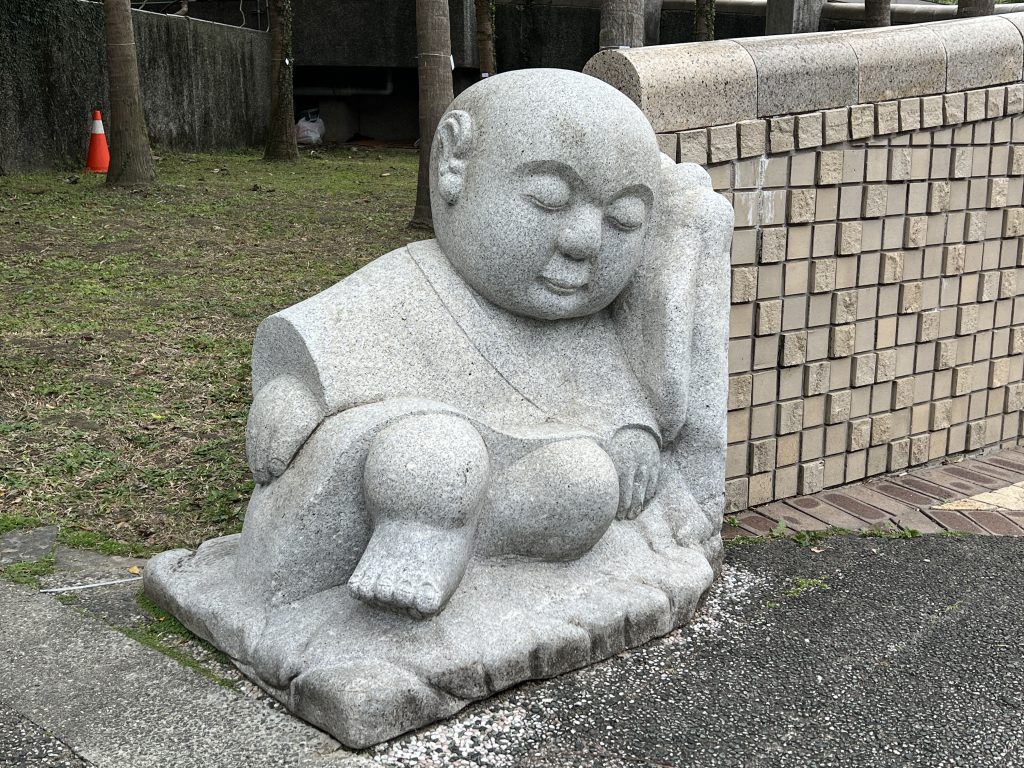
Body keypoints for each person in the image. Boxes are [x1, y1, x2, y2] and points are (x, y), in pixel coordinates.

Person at [236, 68, 732, 620]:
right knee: (435, 452)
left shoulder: (589, 328)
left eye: (622, 220)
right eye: (549, 198)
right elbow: (321, 340)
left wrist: (633, 431)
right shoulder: (410, 282)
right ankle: (418, 541)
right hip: (416, 472)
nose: (585, 242)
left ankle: (472, 544)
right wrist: (293, 393)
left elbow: (611, 389)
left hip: (516, 492)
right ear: (454, 164)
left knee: (585, 482)